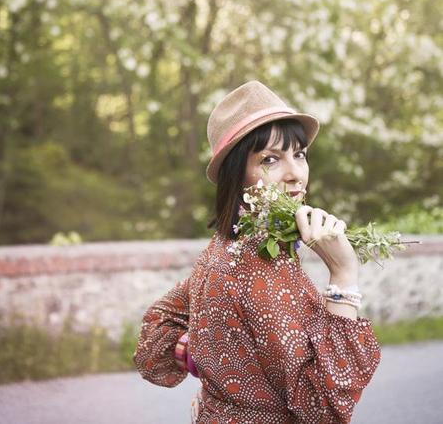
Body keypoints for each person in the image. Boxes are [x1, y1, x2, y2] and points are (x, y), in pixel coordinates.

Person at [133, 81, 381, 423]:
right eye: (270, 159)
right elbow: (322, 409)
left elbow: (160, 329)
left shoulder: (230, 247)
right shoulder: (252, 268)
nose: (295, 174)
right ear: (238, 176)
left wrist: (212, 365)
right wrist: (343, 278)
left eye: (299, 154)